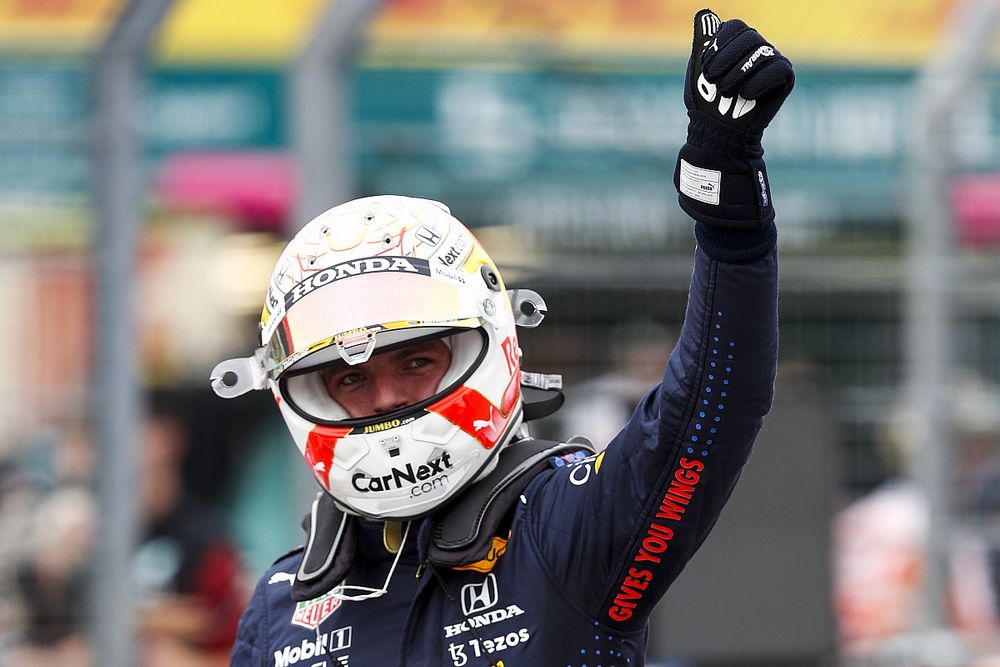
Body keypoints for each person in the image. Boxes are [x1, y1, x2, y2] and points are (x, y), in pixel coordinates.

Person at [212, 10, 792, 665]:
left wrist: (728, 207)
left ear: (495, 348)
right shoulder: (281, 605)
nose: (384, 397)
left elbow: (714, 403)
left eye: (416, 360)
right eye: (349, 377)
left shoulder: (565, 530)